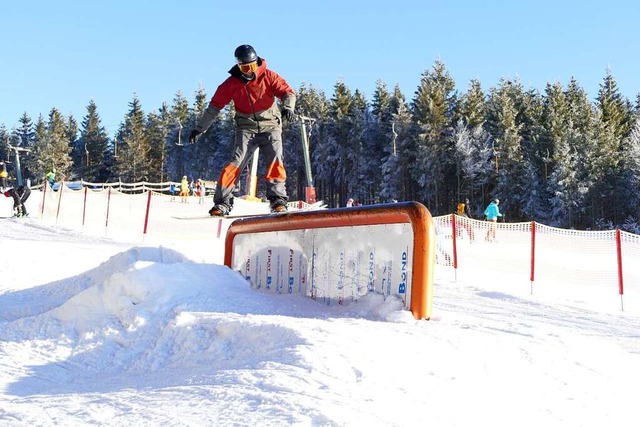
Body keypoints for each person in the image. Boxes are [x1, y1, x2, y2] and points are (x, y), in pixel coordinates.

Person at [188, 44, 296, 216]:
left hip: (271, 126)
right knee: (235, 163)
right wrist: (200, 129)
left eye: (252, 66)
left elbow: (287, 93)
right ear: (238, 66)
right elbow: (214, 106)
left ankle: (277, 199)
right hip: (246, 128)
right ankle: (222, 202)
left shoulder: (268, 76)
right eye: (244, 67)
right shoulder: (231, 84)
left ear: (257, 63)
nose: (249, 71)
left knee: (275, 159)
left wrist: (288, 107)